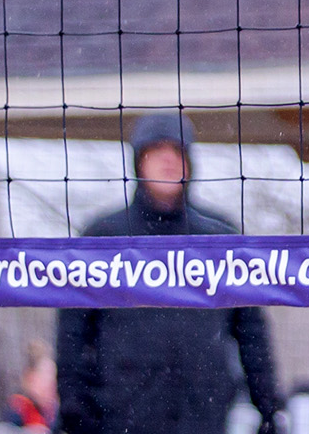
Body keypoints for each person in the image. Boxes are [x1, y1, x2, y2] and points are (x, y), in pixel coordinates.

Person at [56, 113, 282, 434]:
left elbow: (251, 332)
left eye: (177, 151)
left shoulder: (220, 237)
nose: (168, 160)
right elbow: (72, 331)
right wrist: (73, 405)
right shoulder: (103, 237)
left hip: (203, 415)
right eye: (156, 150)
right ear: (139, 161)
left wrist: (268, 407)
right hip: (120, 415)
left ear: (190, 162)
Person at [0, 339, 59, 432]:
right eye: (44, 376)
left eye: (54, 377)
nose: (51, 383)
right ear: (30, 378)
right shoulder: (17, 411)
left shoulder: (56, 415)